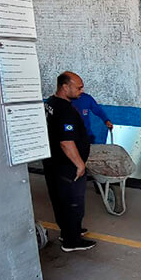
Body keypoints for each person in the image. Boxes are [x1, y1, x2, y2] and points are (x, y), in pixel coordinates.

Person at [43, 72, 96, 252]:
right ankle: (71, 242)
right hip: (67, 166)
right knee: (73, 202)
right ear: (65, 87)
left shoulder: (51, 103)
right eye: (78, 87)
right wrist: (80, 164)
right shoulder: (65, 110)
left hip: (53, 163)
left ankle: (69, 231)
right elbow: (66, 141)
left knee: (60, 200)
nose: (82, 90)